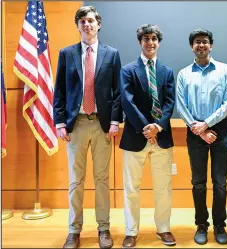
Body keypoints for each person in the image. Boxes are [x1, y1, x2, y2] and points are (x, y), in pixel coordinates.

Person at [53, 6, 122, 249]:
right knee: (76, 181)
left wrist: (114, 121)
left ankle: (104, 228)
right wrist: (60, 122)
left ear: (98, 24)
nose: (87, 24)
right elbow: (59, 89)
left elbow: (117, 92)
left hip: (102, 125)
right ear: (78, 26)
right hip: (77, 125)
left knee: (102, 179)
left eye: (91, 20)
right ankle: (74, 230)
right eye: (82, 21)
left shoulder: (111, 54)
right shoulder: (67, 53)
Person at [119, 24, 176, 249]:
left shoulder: (167, 71)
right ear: (139, 42)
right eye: (145, 39)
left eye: (153, 39)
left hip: (162, 138)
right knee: (131, 187)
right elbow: (127, 102)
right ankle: (131, 231)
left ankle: (163, 228)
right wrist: (146, 127)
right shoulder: (128, 70)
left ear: (158, 42)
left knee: (163, 187)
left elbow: (170, 103)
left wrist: (158, 127)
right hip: (135, 136)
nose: (150, 42)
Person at [176, 29, 227, 245]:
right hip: (194, 131)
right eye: (197, 42)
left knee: (220, 183)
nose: (201, 45)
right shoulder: (184, 74)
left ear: (211, 45)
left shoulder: (224, 70)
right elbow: (180, 105)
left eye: (205, 42)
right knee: (198, 183)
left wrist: (207, 124)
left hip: (218, 130)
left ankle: (220, 225)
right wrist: (198, 128)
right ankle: (201, 225)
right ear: (192, 46)